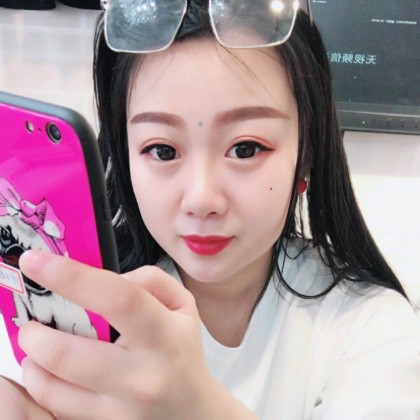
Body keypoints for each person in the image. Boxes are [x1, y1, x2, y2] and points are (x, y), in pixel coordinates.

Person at [1, 0, 420, 418]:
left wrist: (195, 408)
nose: (201, 199)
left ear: (305, 154)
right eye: (162, 150)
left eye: (246, 148)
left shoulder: (372, 329)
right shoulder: (74, 308)